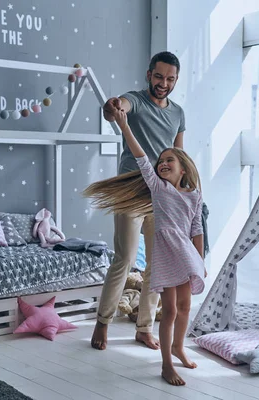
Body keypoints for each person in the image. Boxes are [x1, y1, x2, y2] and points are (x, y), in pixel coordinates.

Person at [88, 106, 206, 386]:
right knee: (171, 311)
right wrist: (124, 125)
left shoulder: (194, 196)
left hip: (186, 257)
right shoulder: (158, 188)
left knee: (186, 307)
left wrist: (200, 261)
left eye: (169, 161)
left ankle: (179, 347)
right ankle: (166, 364)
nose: (162, 163)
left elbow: (197, 230)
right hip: (166, 258)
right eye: (161, 161)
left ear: (184, 169)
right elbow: (141, 157)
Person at [90, 51, 186, 351]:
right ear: (149, 75)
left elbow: (179, 156)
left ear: (176, 80)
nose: (163, 83)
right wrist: (112, 107)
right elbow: (117, 108)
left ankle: (144, 327)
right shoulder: (136, 100)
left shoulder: (178, 113)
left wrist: (181, 192)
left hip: (162, 195)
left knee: (157, 265)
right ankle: (102, 323)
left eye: (170, 79)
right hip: (130, 190)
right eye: (159, 76)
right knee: (125, 258)